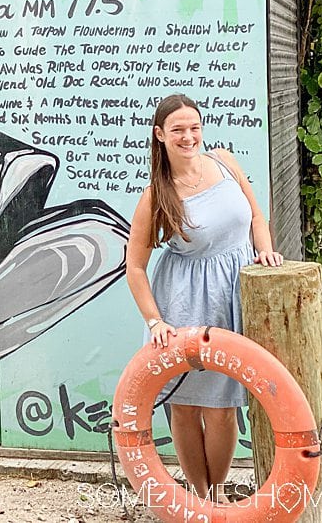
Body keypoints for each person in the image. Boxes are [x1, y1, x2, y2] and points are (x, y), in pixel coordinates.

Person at [125, 93, 283, 502]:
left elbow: (255, 215)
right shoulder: (156, 195)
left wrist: (263, 250)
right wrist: (155, 321)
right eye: (177, 129)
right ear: (160, 135)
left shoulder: (225, 162)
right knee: (187, 407)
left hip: (232, 296)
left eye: (193, 127)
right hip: (184, 303)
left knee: (222, 408)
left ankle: (217, 494)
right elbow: (136, 267)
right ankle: (202, 501)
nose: (188, 136)